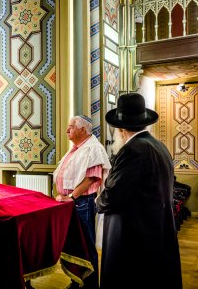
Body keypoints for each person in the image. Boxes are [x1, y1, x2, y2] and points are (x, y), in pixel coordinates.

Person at [96, 93, 182, 289]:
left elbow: (114, 196)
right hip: (156, 230)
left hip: (132, 237)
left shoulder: (132, 150)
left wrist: (98, 201)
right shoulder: (159, 146)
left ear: (120, 128)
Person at [53, 115, 111, 289]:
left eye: (71, 127)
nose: (67, 130)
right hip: (72, 202)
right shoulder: (77, 148)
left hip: (81, 202)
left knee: (85, 245)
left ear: (82, 130)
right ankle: (77, 280)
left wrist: (71, 197)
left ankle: (90, 285)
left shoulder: (93, 148)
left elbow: (92, 178)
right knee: (74, 245)